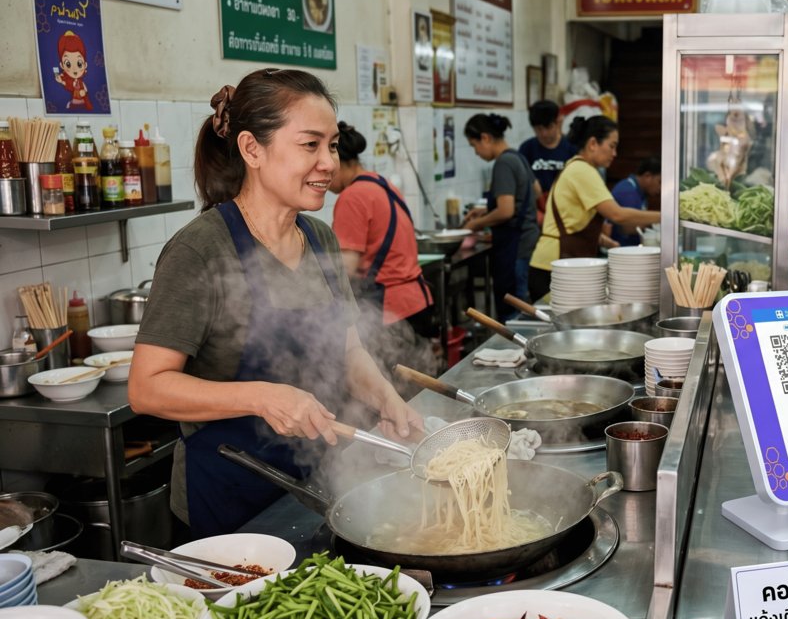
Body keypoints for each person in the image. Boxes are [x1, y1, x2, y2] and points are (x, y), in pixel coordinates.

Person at [128, 69, 422, 537]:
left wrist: (387, 398)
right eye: (310, 145)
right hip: (229, 506)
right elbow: (146, 388)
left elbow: (349, 352)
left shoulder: (320, 239)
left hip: (322, 489)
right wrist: (263, 396)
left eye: (332, 145)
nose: (328, 161)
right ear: (252, 150)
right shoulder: (201, 250)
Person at [329, 120, 438, 379]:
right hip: (417, 302)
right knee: (419, 384)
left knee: (394, 393)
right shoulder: (382, 184)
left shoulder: (352, 197)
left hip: (390, 310)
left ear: (339, 161)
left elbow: (347, 267)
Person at [528, 116, 660, 299]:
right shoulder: (582, 170)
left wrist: (603, 240)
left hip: (555, 263)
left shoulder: (578, 167)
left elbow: (572, 221)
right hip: (553, 267)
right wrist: (666, 216)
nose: (615, 153)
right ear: (592, 143)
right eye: (612, 146)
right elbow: (617, 214)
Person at [462, 113, 540, 317]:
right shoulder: (518, 157)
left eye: (474, 145)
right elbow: (536, 191)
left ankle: (514, 349)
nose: (476, 152)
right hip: (528, 241)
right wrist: (487, 210)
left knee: (514, 310)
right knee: (523, 304)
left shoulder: (503, 163)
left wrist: (475, 225)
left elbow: (506, 211)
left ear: (485, 138)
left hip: (515, 246)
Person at [518, 100, 576, 197]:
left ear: (558, 122)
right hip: (535, 206)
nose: (544, 133)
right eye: (539, 129)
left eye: (549, 127)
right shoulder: (526, 149)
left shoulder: (572, 148)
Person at [607, 157, 662, 246]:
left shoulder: (640, 191)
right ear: (647, 176)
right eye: (659, 182)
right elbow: (628, 227)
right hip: (622, 249)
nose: (661, 188)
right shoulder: (627, 191)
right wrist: (659, 220)